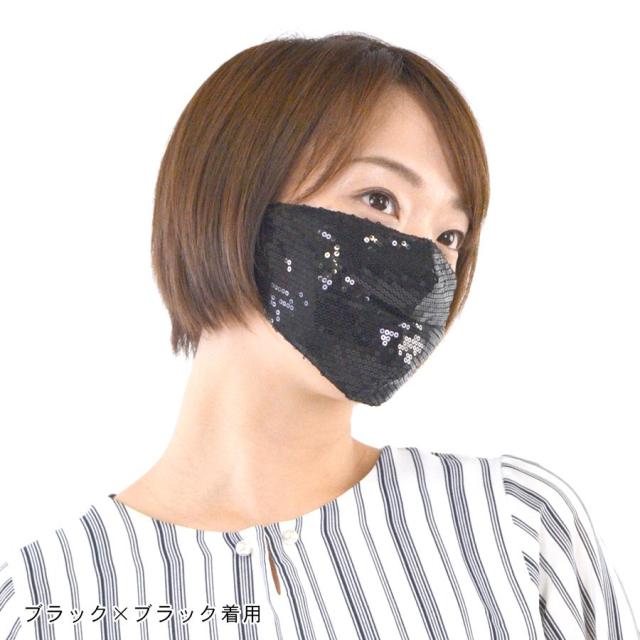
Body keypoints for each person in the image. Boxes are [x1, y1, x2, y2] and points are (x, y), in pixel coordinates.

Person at [1, 32, 637, 639]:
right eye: (380, 200)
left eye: (449, 236)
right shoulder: (44, 603)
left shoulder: (512, 529)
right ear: (228, 198)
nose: (422, 267)